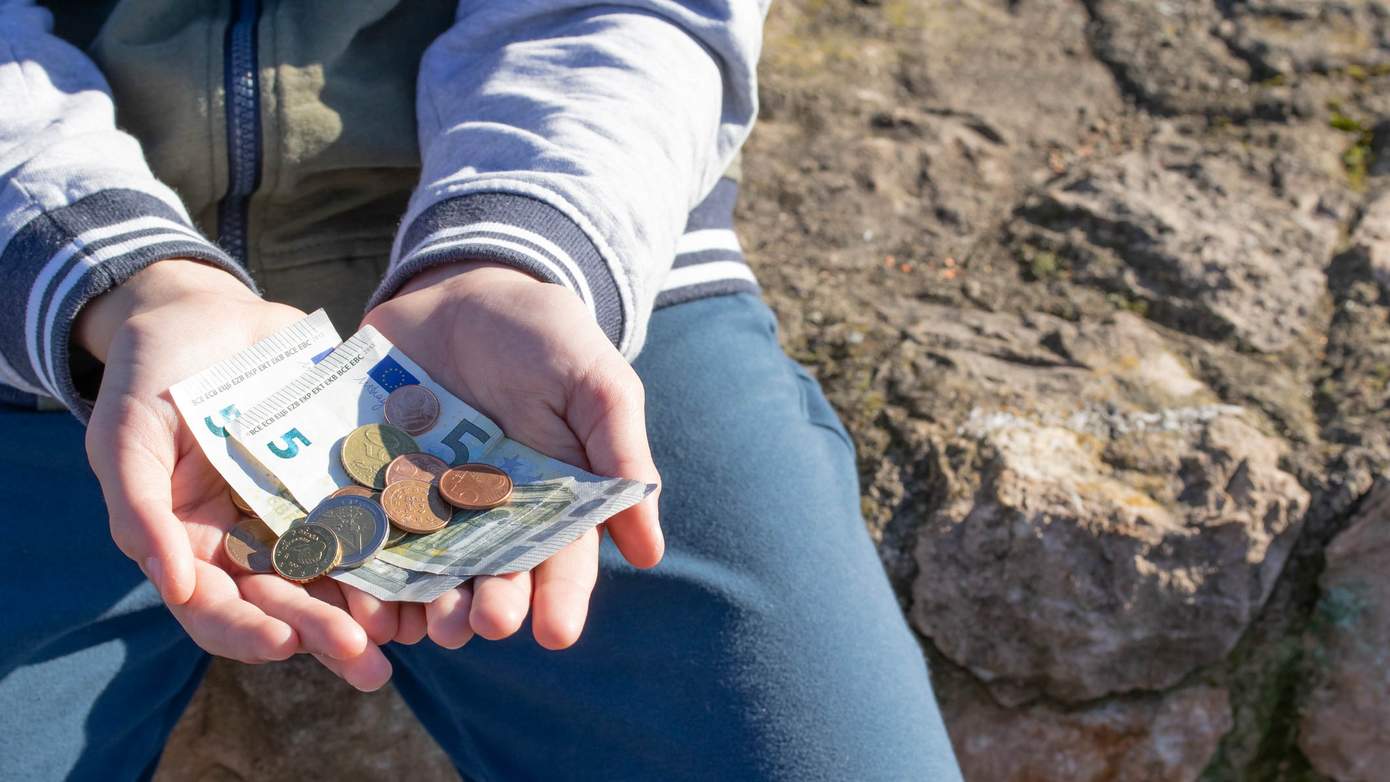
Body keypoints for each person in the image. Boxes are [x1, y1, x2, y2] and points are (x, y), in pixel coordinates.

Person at [0, 0, 963, 778]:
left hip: (570, 272)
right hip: (46, 294)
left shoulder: (544, 277)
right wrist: (109, 273)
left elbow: (629, 15)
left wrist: (519, 249)